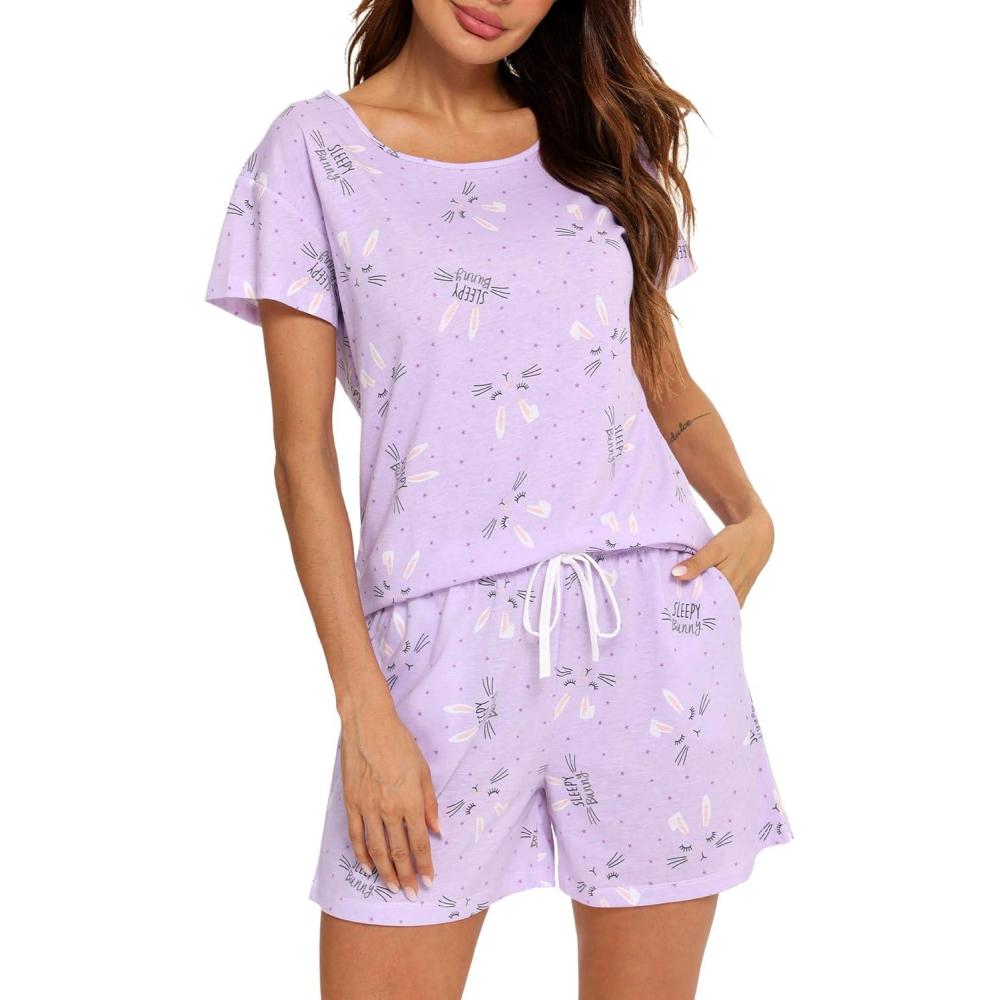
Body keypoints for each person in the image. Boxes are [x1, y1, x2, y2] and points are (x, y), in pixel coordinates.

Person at [205, 1, 792, 996]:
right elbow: (301, 458)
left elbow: (657, 374)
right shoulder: (312, 153)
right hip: (439, 654)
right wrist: (363, 708)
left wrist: (750, 515)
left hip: (647, 633)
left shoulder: (598, 141)